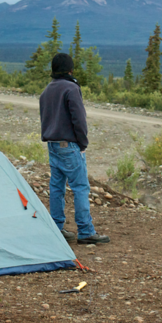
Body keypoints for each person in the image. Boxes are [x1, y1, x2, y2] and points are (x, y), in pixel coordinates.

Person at [39, 53, 110, 245]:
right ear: (70, 69)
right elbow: (79, 119)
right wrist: (82, 143)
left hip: (52, 145)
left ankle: (56, 227)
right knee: (79, 187)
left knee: (56, 187)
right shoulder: (71, 88)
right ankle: (85, 231)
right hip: (69, 146)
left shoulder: (47, 91)